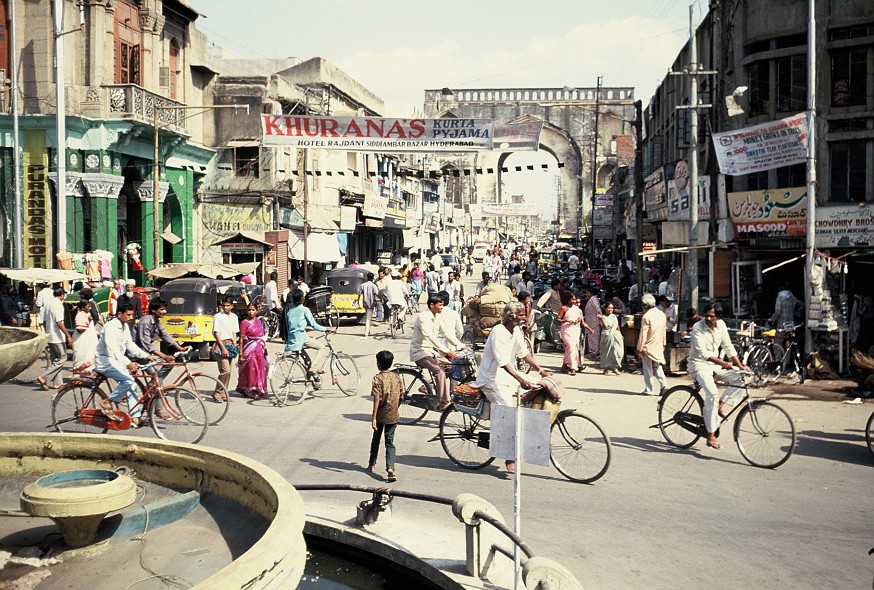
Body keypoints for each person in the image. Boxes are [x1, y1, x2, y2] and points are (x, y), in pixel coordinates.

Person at [469, 301, 551, 473]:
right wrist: (521, 379)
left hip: (510, 376)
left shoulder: (516, 331)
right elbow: (503, 362)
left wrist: (540, 370)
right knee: (509, 414)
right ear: (511, 315)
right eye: (521, 315)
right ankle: (509, 457)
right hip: (493, 380)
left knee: (543, 386)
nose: (523, 318)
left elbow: (524, 353)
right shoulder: (498, 332)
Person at [688, 304, 749, 450]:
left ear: (718, 317)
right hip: (699, 366)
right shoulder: (698, 328)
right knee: (712, 394)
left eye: (712, 316)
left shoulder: (721, 325)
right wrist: (724, 363)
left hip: (715, 366)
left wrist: (740, 366)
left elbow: (728, 346)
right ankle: (710, 435)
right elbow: (703, 353)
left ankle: (721, 405)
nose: (708, 318)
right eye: (707, 315)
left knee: (743, 377)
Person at [94, 302, 156, 426]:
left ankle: (135, 418)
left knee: (132, 385)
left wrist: (146, 355)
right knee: (128, 381)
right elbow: (113, 350)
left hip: (116, 361)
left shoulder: (124, 326)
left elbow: (129, 344)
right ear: (119, 314)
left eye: (132, 315)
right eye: (128, 315)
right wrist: (128, 363)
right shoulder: (110, 327)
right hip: (105, 361)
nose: (131, 318)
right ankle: (108, 401)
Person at [410, 293, 466, 411]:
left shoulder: (438, 317)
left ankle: (431, 387)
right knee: (439, 371)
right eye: (440, 305)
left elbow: (447, 334)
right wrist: (446, 351)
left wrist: (461, 345)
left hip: (431, 351)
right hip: (420, 351)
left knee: (451, 367)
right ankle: (443, 402)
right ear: (431, 305)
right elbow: (430, 337)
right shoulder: (423, 317)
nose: (442, 307)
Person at [285, 289, 337, 387]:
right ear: (302, 298)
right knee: (322, 347)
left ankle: (314, 378)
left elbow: (296, 325)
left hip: (292, 340)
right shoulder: (304, 310)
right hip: (301, 339)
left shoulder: (290, 312)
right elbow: (314, 325)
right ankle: (314, 368)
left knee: (307, 360)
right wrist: (327, 328)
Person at [368, 350, 404, 483]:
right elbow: (401, 396)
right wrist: (395, 408)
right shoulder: (396, 377)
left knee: (376, 440)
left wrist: (374, 417)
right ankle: (390, 468)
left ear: (378, 364)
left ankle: (372, 464)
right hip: (393, 415)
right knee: (389, 442)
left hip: (381, 415)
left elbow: (377, 398)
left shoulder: (377, 379)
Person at [37, 287, 72, 390]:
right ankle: (44, 377)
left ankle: (57, 383)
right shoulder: (58, 305)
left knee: (55, 360)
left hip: (50, 335)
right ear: (62, 295)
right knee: (62, 358)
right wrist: (68, 335)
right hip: (57, 336)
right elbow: (59, 322)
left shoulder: (48, 304)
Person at [637, 293, 668, 396]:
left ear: (645, 305)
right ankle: (664, 385)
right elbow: (664, 331)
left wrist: (639, 348)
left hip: (648, 346)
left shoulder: (646, 316)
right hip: (658, 345)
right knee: (656, 366)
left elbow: (643, 334)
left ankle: (649, 389)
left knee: (647, 368)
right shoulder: (661, 314)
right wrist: (663, 344)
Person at [238, 303, 269, 399]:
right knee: (250, 369)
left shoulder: (259, 322)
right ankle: (250, 389)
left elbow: (261, 337)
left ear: (257, 311)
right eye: (249, 310)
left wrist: (265, 350)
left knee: (260, 369)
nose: (251, 312)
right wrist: (240, 354)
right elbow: (241, 339)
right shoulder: (244, 323)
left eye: (253, 310)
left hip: (259, 350)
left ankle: (259, 389)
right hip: (249, 349)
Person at [213, 295, 241, 396]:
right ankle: (217, 391)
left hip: (230, 345)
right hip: (220, 345)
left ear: (232, 306)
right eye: (224, 305)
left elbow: (234, 332)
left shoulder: (234, 317)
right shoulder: (218, 317)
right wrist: (223, 348)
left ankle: (223, 392)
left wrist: (234, 344)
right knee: (225, 371)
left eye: (228, 305)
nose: (225, 308)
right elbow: (216, 333)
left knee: (229, 372)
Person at [559, 295, 592, 375]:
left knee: (574, 347)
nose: (573, 301)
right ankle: (573, 368)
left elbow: (581, 321)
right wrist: (566, 320)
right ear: (568, 300)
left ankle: (565, 365)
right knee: (571, 346)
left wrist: (590, 329)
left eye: (574, 300)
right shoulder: (564, 308)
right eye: (572, 299)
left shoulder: (577, 310)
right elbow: (558, 318)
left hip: (575, 330)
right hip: (566, 330)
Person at [71, 299, 99, 374]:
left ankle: (86, 376)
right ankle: (78, 377)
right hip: (81, 342)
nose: (90, 308)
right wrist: (88, 321)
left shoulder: (86, 314)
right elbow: (80, 330)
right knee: (81, 359)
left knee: (89, 358)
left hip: (88, 342)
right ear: (83, 308)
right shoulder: (79, 316)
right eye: (88, 307)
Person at [598, 301, 624, 375]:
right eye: (609, 308)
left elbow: (617, 326)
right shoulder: (602, 317)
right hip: (607, 335)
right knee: (606, 352)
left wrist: (620, 334)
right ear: (605, 309)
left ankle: (614, 368)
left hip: (615, 335)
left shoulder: (614, 316)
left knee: (616, 351)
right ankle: (606, 369)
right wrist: (602, 319)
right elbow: (605, 327)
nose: (610, 310)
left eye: (612, 308)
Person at [357, 272, 379, 338]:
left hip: (365, 303)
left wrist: (358, 301)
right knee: (368, 318)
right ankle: (366, 332)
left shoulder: (363, 285)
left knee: (368, 316)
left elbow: (359, 293)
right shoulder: (373, 286)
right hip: (371, 303)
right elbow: (376, 294)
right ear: (372, 278)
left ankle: (368, 330)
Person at [583, 286, 601, 358]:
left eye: (587, 293)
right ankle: (592, 351)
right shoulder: (592, 299)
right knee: (591, 336)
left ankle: (594, 351)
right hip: (590, 321)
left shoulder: (593, 299)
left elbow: (598, 309)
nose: (586, 295)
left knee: (594, 337)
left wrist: (601, 318)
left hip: (594, 321)